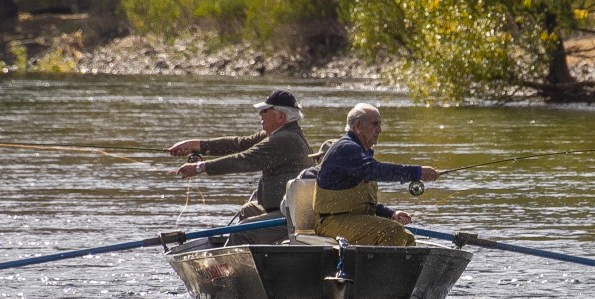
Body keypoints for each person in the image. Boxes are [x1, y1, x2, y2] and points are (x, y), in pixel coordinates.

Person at [169, 89, 313, 244]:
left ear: (281, 116)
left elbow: (245, 159)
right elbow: (239, 144)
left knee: (241, 231)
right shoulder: (277, 134)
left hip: (293, 216)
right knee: (248, 210)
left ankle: (236, 266)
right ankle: (260, 258)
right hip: (281, 209)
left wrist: (200, 168)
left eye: (264, 111)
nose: (260, 115)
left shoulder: (285, 139)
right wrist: (194, 145)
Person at [312, 102, 440, 246]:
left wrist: (390, 214)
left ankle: (401, 268)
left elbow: (362, 202)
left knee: (408, 237)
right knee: (393, 230)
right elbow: (375, 170)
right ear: (358, 126)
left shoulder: (361, 152)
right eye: (375, 124)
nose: (380, 130)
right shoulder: (346, 148)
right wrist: (416, 172)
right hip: (331, 222)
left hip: (353, 219)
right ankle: (381, 268)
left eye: (380, 124)